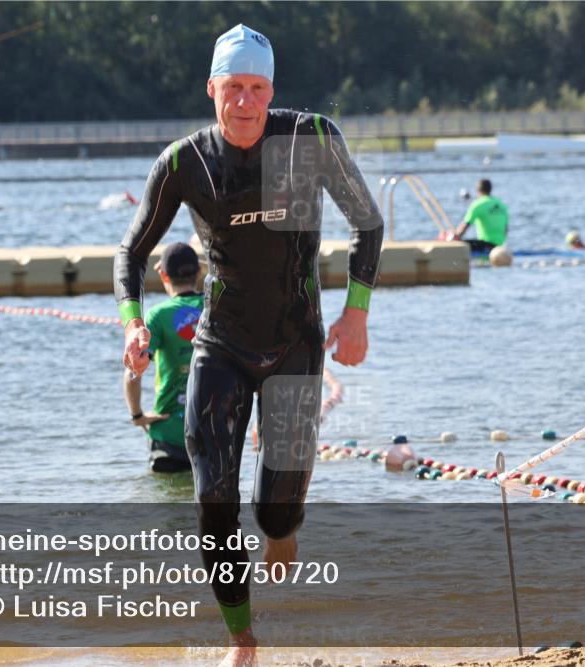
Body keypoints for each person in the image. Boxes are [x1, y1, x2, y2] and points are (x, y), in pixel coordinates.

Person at [114, 24, 383, 667]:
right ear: (212, 88)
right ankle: (242, 638)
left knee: (277, 508)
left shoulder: (311, 139)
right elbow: (131, 251)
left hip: (295, 340)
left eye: (256, 88)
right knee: (214, 499)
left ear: (271, 91)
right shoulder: (186, 162)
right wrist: (133, 322)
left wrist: (357, 314)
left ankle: (283, 532)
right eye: (233, 87)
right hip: (222, 343)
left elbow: (366, 223)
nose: (245, 102)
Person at [123, 243, 203, 474]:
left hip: (168, 432)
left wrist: (137, 415)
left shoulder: (158, 315)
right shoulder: (216, 305)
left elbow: (132, 374)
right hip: (212, 432)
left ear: (163, 275)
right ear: (198, 272)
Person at [451, 178, 509, 253]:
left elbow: (464, 227)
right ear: (490, 189)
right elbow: (506, 230)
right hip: (500, 246)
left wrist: (453, 238)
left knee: (457, 244)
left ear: (478, 191)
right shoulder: (502, 205)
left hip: (486, 246)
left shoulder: (478, 204)